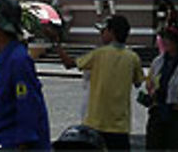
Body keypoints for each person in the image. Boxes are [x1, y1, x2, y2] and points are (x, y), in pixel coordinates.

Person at [54, 14, 143, 150]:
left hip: (96, 124)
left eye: (104, 31)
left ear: (112, 32)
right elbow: (138, 82)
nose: (101, 34)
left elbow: (69, 63)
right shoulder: (133, 58)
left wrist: (57, 44)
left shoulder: (98, 54)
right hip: (120, 126)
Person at [0, 0, 50, 150]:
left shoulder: (18, 60)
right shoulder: (4, 58)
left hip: (10, 144)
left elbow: (27, 105)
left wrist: (23, 144)